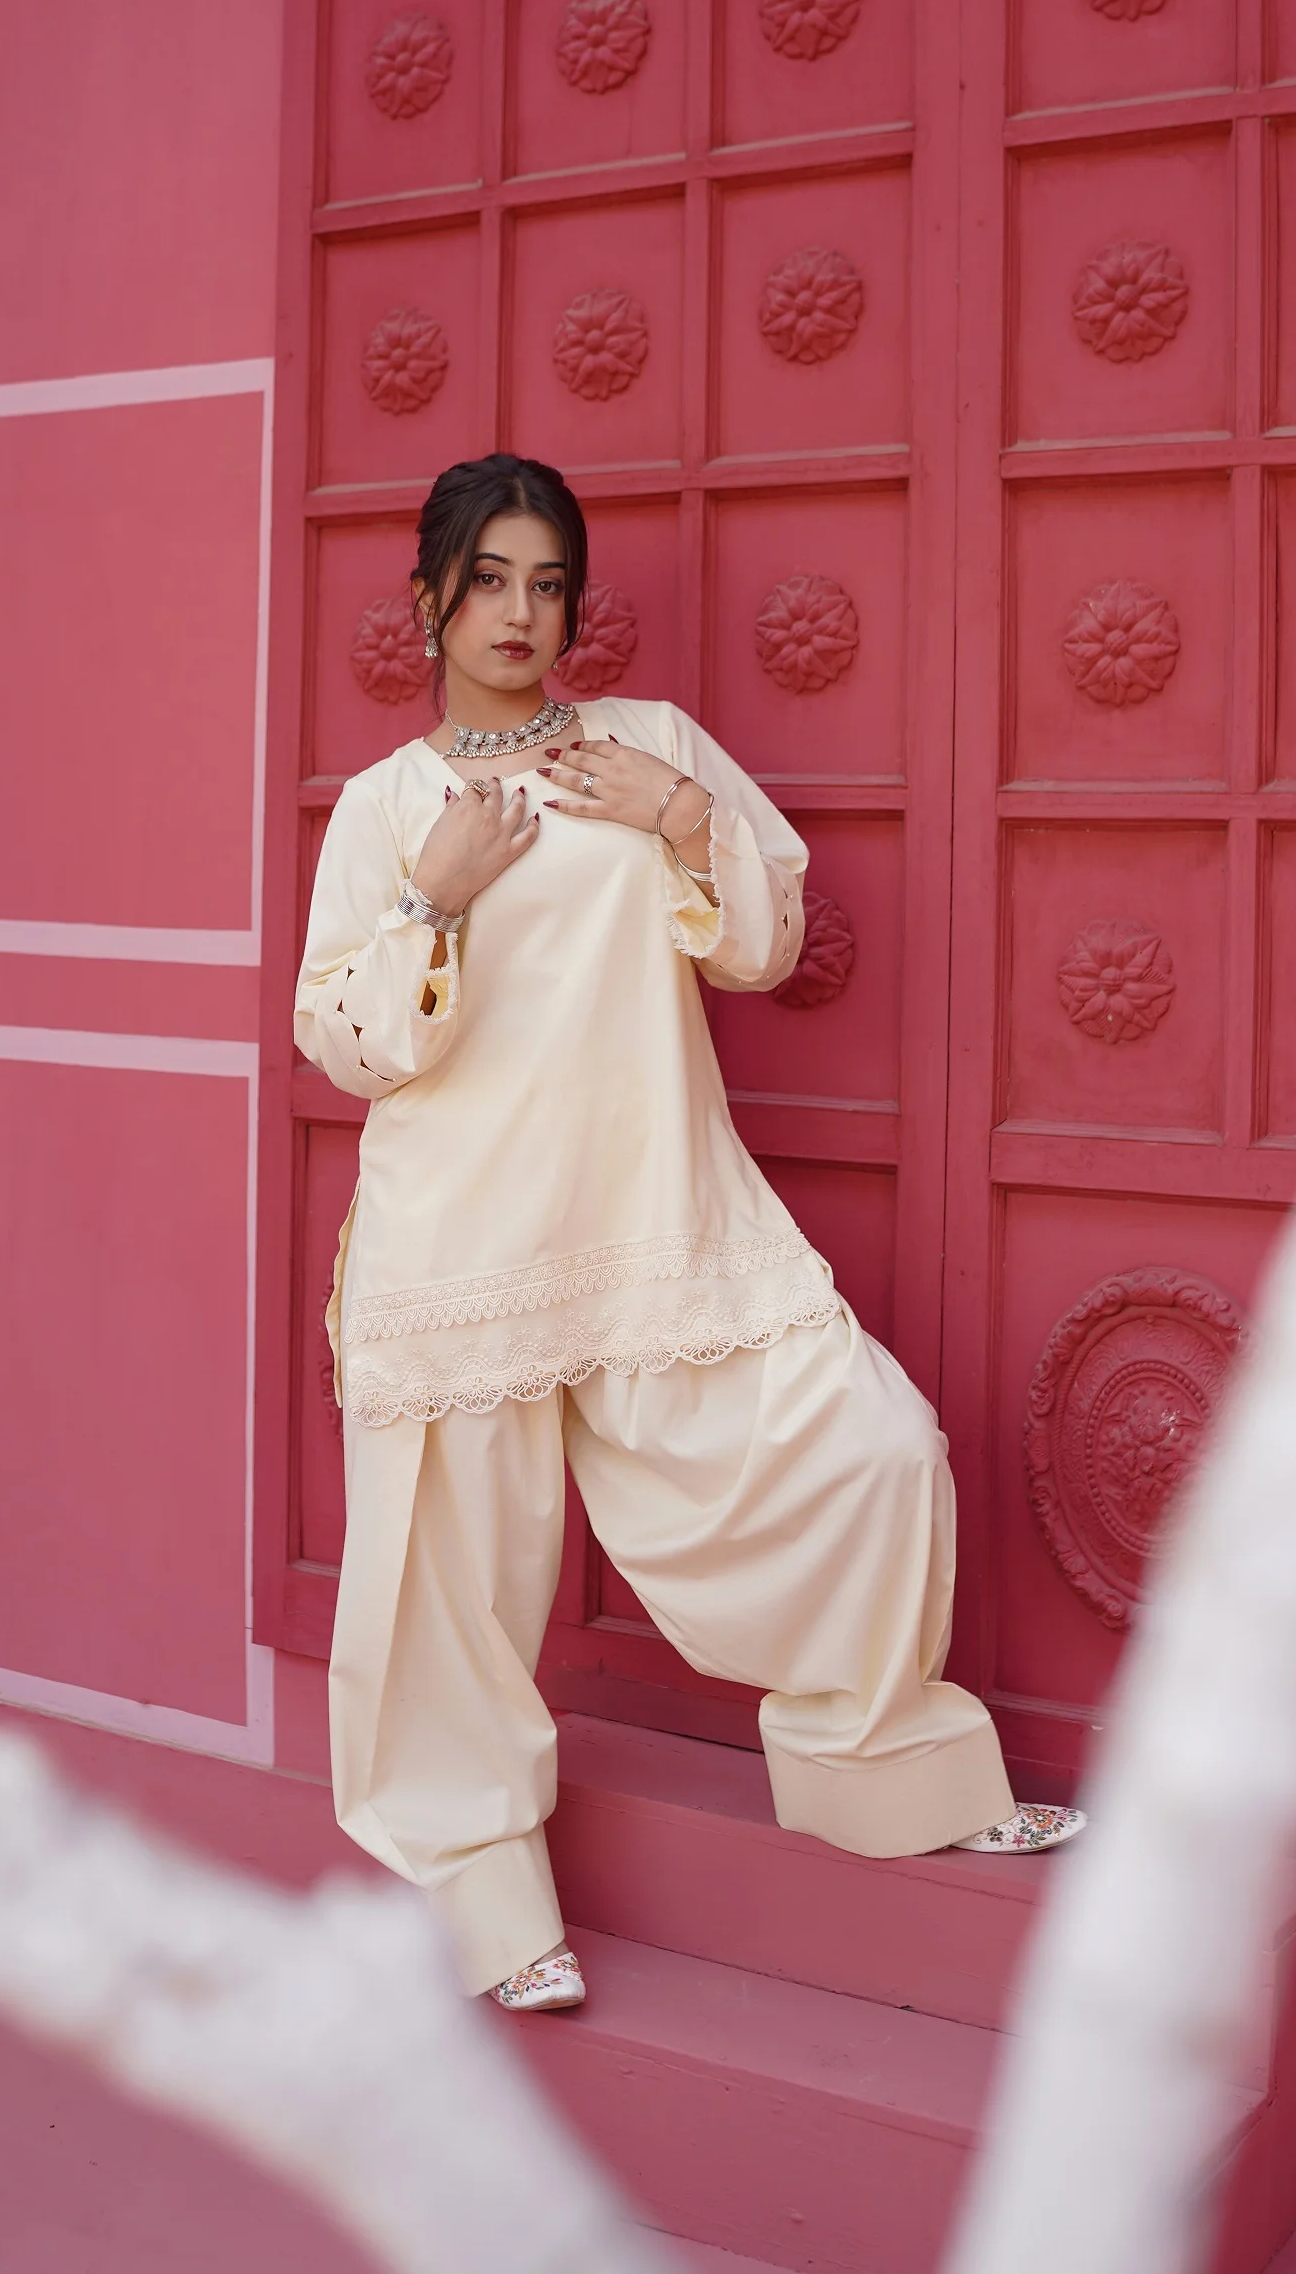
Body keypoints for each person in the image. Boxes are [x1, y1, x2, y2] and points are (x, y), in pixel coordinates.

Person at [295, 453, 1084, 2015]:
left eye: (549, 584)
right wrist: (434, 899)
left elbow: (763, 946)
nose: (521, 613)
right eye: (489, 580)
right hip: (461, 1248)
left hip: (653, 1214)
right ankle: (485, 1909)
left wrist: (678, 815)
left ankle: (893, 1768)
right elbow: (350, 1045)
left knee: (875, 1451)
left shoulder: (648, 744)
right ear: (430, 599)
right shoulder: (387, 809)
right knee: (446, 1603)